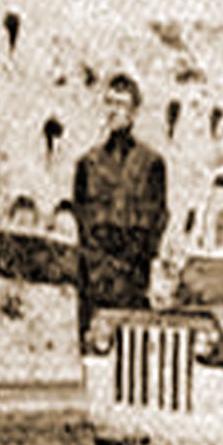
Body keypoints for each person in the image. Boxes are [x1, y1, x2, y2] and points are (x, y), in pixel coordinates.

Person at [73, 73, 168, 344]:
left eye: (121, 104)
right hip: (94, 288)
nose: (113, 111)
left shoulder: (151, 164)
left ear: (134, 112)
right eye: (109, 102)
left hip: (132, 286)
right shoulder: (87, 165)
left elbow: (157, 222)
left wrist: (135, 266)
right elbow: (82, 225)